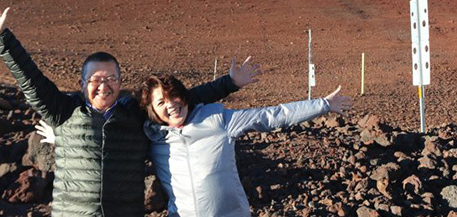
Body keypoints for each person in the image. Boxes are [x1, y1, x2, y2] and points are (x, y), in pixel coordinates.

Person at [0, 0, 259, 216]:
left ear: (120, 81)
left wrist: (230, 83)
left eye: (110, 77)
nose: (103, 84)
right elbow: (30, 79)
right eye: (95, 78)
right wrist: (2, 38)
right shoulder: (63, 111)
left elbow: (181, 100)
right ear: (83, 82)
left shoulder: (134, 113)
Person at [139, 74, 352, 217]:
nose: (171, 104)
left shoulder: (217, 120)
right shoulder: (152, 139)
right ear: (152, 111)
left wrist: (323, 105)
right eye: (161, 102)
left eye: (175, 96)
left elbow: (271, 116)